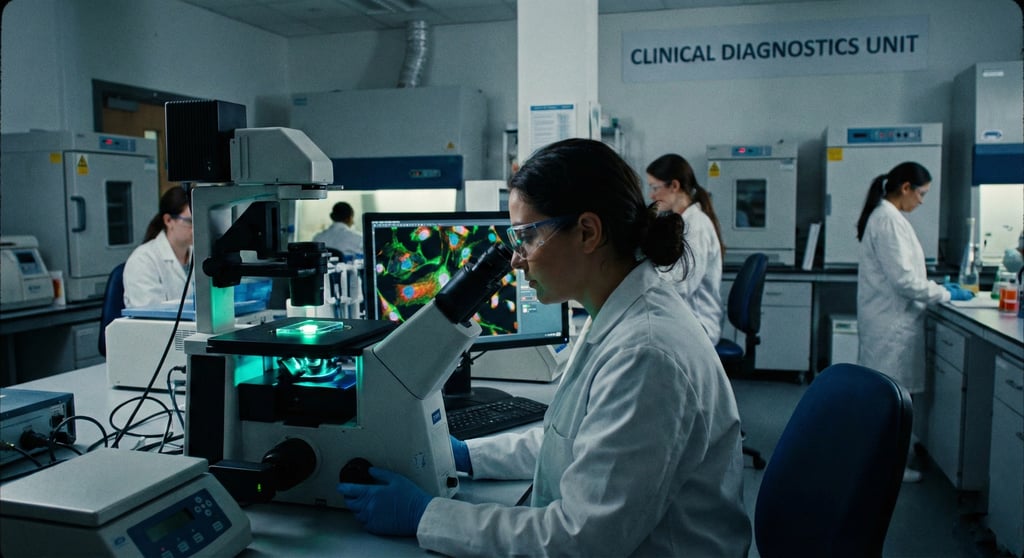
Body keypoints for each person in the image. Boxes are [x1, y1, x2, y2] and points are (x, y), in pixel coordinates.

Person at [339, 139, 752, 556]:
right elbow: (571, 443)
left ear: (587, 232)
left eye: (528, 236)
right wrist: (464, 456)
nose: (517, 260)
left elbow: (579, 540)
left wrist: (427, 515)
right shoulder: (616, 311)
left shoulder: (646, 354)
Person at [855, 161, 973, 483]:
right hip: (890, 325)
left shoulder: (889, 217)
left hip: (889, 321)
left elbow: (905, 275)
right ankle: (884, 470)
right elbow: (904, 281)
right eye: (921, 194)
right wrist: (944, 294)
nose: (921, 201)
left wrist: (936, 288)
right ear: (905, 188)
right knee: (888, 401)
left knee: (886, 399)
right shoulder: (887, 220)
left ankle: (883, 463)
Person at [646, 153, 726, 344]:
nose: (651, 195)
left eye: (655, 187)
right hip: (684, 319)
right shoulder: (684, 221)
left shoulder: (696, 226)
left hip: (699, 324)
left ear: (674, 186)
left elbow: (681, 285)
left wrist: (642, 282)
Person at [123, 187, 193, 308]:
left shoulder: (201, 255)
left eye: (200, 220)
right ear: (168, 220)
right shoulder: (142, 260)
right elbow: (150, 313)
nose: (197, 228)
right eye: (190, 221)